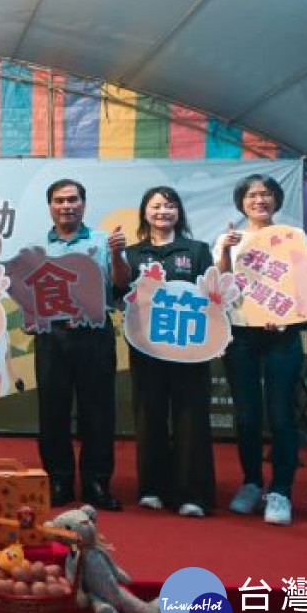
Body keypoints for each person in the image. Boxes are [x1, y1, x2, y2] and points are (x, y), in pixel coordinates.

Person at [212, 175, 304, 525]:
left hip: (281, 332)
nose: (259, 200)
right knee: (247, 415)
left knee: (281, 416)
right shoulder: (228, 239)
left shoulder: (293, 238)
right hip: (240, 333)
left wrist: (286, 315)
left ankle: (280, 490)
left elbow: (303, 285)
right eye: (252, 195)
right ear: (242, 202)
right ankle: (251, 483)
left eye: (266, 194)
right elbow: (220, 286)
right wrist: (224, 252)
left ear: (277, 200)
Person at [34, 178, 130, 510]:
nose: (67, 206)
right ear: (50, 207)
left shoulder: (105, 241)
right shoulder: (38, 249)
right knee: (53, 413)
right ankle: (58, 480)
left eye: (73, 200)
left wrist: (118, 255)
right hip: (52, 337)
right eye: (60, 201)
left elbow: (121, 284)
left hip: (94, 333)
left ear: (84, 205)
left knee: (98, 412)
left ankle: (96, 483)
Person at [123, 187, 215, 517]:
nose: (164, 211)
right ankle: (152, 487)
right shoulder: (132, 255)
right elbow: (120, 294)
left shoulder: (197, 250)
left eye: (170, 205)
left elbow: (212, 295)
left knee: (191, 416)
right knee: (150, 415)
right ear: (145, 213)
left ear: (179, 212)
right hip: (147, 347)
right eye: (157, 205)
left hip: (190, 348)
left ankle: (193, 493)